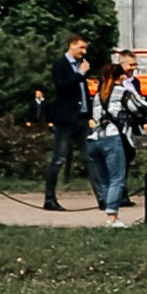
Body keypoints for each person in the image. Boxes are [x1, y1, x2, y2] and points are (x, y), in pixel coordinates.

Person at [84, 50, 147, 226]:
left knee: (105, 179)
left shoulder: (99, 95)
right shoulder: (122, 92)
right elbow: (143, 108)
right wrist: (138, 100)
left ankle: (108, 213)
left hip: (95, 138)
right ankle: (112, 217)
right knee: (117, 178)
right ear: (120, 77)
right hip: (113, 138)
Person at [43, 36, 93, 210]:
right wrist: (80, 74)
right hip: (65, 119)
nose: (84, 52)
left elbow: (83, 92)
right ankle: (49, 198)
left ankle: (103, 197)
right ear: (72, 46)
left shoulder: (81, 65)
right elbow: (62, 87)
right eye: (81, 47)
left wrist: (89, 114)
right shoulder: (61, 65)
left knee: (90, 158)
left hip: (82, 118)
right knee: (58, 159)